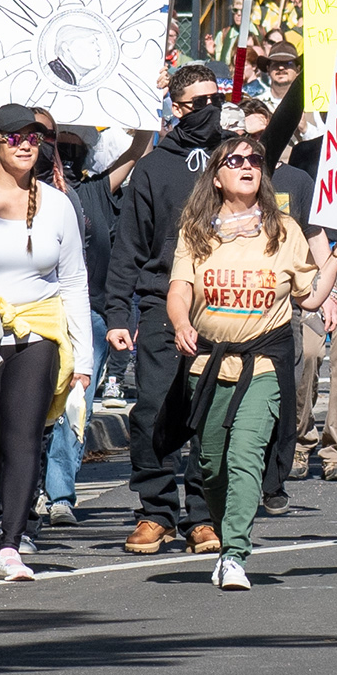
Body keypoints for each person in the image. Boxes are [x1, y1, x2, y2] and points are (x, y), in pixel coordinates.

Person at [111, 62, 300, 550]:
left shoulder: (236, 160)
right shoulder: (153, 167)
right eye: (200, 103)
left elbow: (280, 129)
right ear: (177, 108)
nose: (211, 111)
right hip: (161, 302)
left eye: (217, 100)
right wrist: (116, 312)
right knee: (153, 409)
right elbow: (128, 244)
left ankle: (202, 513)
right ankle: (156, 511)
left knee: (211, 412)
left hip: (225, 308)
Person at [164, 124, 325, 587]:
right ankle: (220, 531)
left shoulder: (284, 229)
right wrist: (181, 324)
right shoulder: (197, 231)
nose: (247, 166)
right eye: (235, 160)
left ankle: (235, 552)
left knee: (246, 457)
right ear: (216, 176)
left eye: (254, 160)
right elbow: (179, 291)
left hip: (264, 363)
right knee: (210, 465)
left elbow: (310, 298)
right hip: (207, 364)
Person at [0, 106, 86, 580]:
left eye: (34, 137)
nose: (27, 144)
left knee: (24, 437)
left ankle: (11, 544)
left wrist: (84, 358)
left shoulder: (57, 204)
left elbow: (73, 280)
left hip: (40, 331)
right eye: (14, 137)